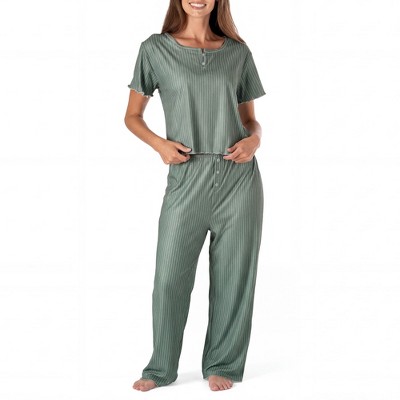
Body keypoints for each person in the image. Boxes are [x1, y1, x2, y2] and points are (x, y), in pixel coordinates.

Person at [124, 0, 266, 392]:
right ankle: (160, 368)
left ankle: (223, 363)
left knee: (234, 278)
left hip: (238, 179)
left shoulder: (237, 52)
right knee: (169, 278)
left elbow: (250, 120)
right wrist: (160, 145)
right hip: (186, 177)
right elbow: (132, 116)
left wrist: (254, 140)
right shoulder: (155, 49)